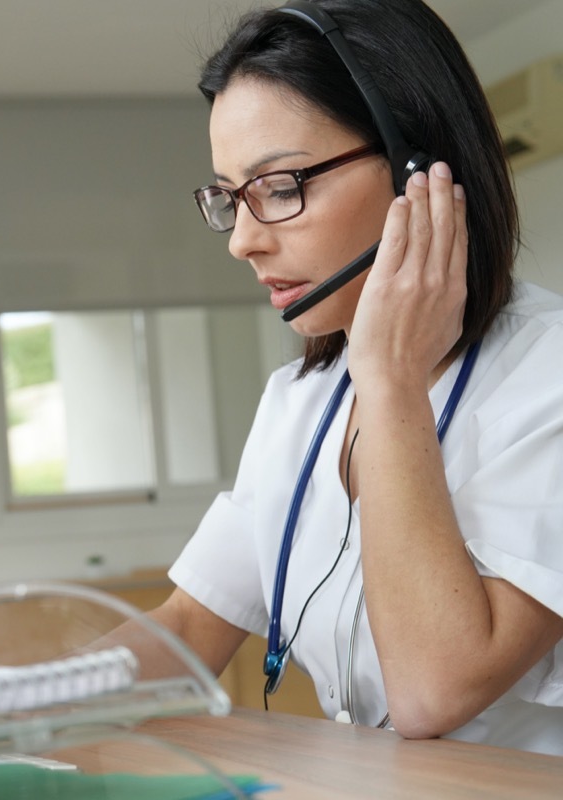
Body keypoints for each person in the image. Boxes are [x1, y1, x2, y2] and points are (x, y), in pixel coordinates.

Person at [124, 0, 563, 755]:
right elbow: (192, 625)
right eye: (232, 196)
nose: (244, 242)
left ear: (418, 171)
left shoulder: (548, 375)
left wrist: (390, 382)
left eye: (282, 185)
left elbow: (432, 693)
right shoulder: (299, 401)